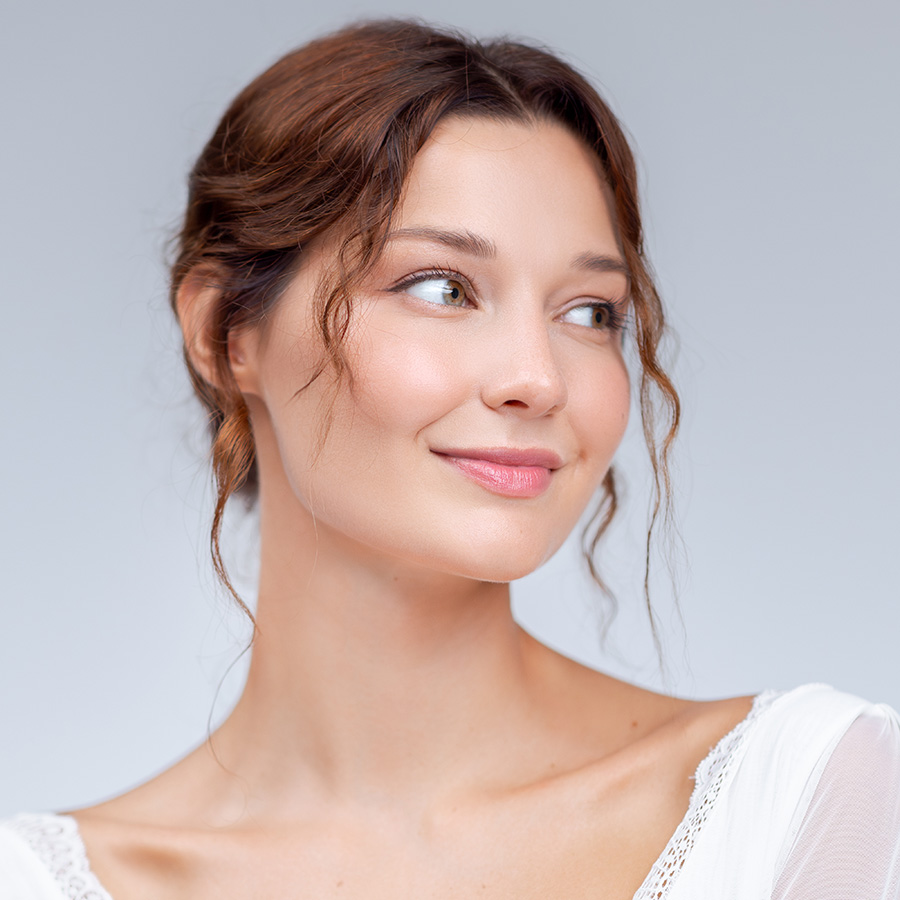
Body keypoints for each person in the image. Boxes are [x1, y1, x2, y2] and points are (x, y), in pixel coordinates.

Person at [1, 18, 897, 900]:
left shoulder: (815, 805)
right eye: (443, 288)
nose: (537, 379)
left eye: (590, 311)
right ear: (226, 333)